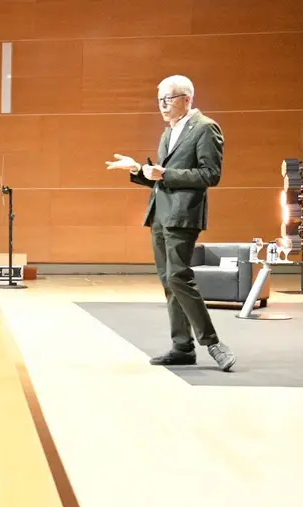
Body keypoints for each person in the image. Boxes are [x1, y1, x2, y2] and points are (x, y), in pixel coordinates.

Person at [105, 74, 236, 371]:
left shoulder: (205, 128)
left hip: (183, 214)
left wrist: (164, 174)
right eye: (160, 99)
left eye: (168, 99)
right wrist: (138, 169)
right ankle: (182, 347)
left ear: (186, 99)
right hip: (161, 214)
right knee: (168, 281)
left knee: (178, 276)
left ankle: (213, 343)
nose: (162, 106)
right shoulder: (168, 133)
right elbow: (159, 177)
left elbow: (210, 175)